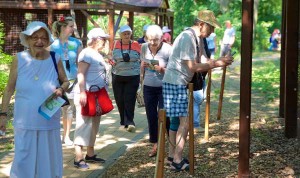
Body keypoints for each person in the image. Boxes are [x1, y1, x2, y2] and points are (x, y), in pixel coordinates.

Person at [162, 10, 233, 171]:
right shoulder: (188, 37)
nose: (213, 31)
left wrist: (218, 61)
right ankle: (177, 160)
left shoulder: (197, 38)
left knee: (177, 121)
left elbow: (203, 60)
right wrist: (216, 63)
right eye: (211, 27)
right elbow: (193, 67)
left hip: (178, 82)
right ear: (201, 24)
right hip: (175, 82)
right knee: (185, 122)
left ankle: (173, 156)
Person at [0, 21, 69, 177]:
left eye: (44, 38)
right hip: (25, 119)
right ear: (28, 39)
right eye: (35, 37)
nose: (39, 41)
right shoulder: (19, 59)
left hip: (48, 118)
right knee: (23, 157)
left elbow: (65, 81)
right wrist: (3, 115)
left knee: (48, 157)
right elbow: (9, 88)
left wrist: (61, 89)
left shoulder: (54, 57)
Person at [73, 28, 110, 169]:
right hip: (87, 94)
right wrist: (82, 92)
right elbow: (81, 73)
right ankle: (78, 157)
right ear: (95, 39)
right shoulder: (86, 53)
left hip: (97, 94)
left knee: (94, 125)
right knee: (84, 125)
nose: (105, 42)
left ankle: (90, 153)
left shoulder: (96, 54)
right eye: (103, 39)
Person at [140, 25, 172, 157]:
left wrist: (162, 69)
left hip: (164, 86)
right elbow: (142, 63)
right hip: (148, 86)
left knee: (164, 115)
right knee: (151, 115)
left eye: (156, 40)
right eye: (150, 39)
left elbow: (174, 69)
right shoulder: (143, 47)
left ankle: (171, 143)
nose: (153, 43)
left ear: (162, 38)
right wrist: (142, 66)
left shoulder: (168, 49)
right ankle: (156, 144)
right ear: (147, 38)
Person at [51, 16, 83, 146]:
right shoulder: (52, 46)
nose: (73, 28)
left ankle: (67, 136)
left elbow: (80, 63)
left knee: (69, 108)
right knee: (55, 109)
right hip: (58, 82)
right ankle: (54, 135)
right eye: (70, 26)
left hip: (72, 80)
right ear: (63, 27)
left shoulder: (76, 43)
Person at [110, 25, 141, 132]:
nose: (127, 35)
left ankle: (130, 121)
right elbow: (111, 57)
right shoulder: (115, 44)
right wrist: (111, 61)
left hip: (132, 76)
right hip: (117, 75)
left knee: (129, 98)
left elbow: (141, 58)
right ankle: (123, 120)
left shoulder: (136, 44)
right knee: (119, 99)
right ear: (121, 35)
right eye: (124, 34)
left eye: (128, 33)